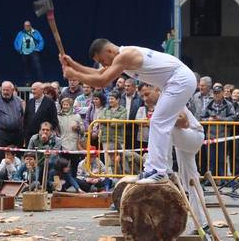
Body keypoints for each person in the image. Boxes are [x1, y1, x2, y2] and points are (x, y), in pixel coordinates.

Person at [60, 38, 197, 183]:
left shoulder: (125, 56)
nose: (104, 64)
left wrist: (74, 74)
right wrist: (73, 64)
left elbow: (102, 81)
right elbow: (98, 73)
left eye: (102, 60)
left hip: (179, 80)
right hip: (175, 81)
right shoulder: (120, 56)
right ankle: (152, 169)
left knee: (158, 121)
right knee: (157, 121)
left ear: (109, 51)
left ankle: (159, 170)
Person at [0, 81, 24, 166]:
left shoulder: (19, 101)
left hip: (17, 133)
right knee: (0, 156)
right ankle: (0, 177)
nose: (5, 92)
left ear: (12, 90)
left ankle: (17, 176)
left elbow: (23, 115)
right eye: (3, 90)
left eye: (7, 90)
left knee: (17, 156)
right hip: (2, 133)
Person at [58, 97, 84, 176]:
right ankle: (63, 180)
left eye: (67, 105)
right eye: (63, 104)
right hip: (63, 143)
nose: (65, 106)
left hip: (74, 144)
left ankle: (73, 180)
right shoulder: (58, 116)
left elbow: (83, 130)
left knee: (74, 164)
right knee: (63, 164)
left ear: (71, 106)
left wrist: (78, 127)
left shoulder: (77, 116)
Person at [120, 78, 143, 149]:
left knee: (133, 150)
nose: (126, 88)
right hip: (122, 128)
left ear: (134, 87)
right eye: (125, 86)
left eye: (128, 86)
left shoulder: (140, 99)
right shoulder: (121, 97)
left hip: (134, 129)